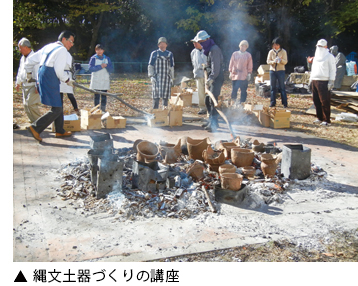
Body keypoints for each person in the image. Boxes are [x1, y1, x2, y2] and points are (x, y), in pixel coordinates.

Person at [25, 30, 76, 142]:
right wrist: (68, 80)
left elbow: (30, 60)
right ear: (63, 39)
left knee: (58, 105)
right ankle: (36, 128)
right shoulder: (62, 50)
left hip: (43, 74)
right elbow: (58, 70)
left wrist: (29, 73)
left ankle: (59, 130)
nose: (72, 44)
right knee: (57, 108)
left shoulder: (48, 46)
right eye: (71, 41)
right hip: (50, 76)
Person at [195, 30, 224, 132]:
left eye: (202, 41)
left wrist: (211, 79)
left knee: (213, 100)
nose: (201, 44)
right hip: (212, 76)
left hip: (216, 77)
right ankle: (210, 120)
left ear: (207, 39)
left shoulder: (214, 49)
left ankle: (214, 123)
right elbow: (210, 64)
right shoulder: (208, 50)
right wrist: (205, 67)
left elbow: (216, 68)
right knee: (207, 100)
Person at [309, 39, 336, 126]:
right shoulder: (316, 57)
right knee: (316, 100)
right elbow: (313, 69)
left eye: (321, 46)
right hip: (315, 80)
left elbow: (333, 69)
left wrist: (331, 81)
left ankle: (326, 119)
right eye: (318, 46)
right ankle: (319, 117)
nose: (319, 48)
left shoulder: (329, 56)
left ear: (326, 47)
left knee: (324, 101)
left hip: (324, 81)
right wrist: (310, 80)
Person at [15, 37, 41, 123]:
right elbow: (20, 71)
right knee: (26, 105)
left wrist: (38, 85)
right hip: (24, 85)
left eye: (20, 48)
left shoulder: (35, 57)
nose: (19, 50)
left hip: (33, 85)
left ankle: (40, 123)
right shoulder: (22, 58)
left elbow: (38, 72)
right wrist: (18, 82)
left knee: (30, 104)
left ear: (26, 47)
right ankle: (33, 122)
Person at [148, 37, 175, 109]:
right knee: (156, 97)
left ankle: (164, 113)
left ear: (166, 45)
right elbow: (150, 66)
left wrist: (172, 77)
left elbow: (171, 67)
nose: (162, 45)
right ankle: (155, 113)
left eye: (164, 44)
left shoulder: (170, 54)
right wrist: (151, 76)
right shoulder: (154, 53)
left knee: (165, 97)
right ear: (158, 45)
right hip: (157, 78)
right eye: (161, 44)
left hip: (166, 78)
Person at [89, 44, 113, 112]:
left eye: (101, 50)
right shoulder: (93, 58)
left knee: (104, 95)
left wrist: (107, 66)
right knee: (96, 96)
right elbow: (90, 68)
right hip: (96, 79)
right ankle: (96, 110)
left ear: (103, 50)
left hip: (104, 79)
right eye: (98, 50)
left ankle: (103, 110)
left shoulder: (107, 58)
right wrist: (100, 66)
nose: (99, 51)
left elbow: (111, 69)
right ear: (95, 50)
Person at [228, 40, 253, 105]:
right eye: (242, 46)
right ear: (239, 46)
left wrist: (249, 73)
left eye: (245, 46)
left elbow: (250, 65)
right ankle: (233, 103)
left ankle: (242, 103)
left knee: (243, 91)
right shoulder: (235, 54)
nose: (243, 47)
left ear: (246, 47)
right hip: (235, 74)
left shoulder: (248, 55)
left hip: (244, 75)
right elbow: (231, 63)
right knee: (234, 90)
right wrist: (230, 72)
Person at [266, 37, 288, 108]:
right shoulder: (271, 52)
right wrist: (273, 61)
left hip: (281, 71)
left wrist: (280, 61)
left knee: (282, 87)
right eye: (274, 45)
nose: (275, 46)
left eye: (276, 45)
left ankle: (284, 103)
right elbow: (268, 61)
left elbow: (285, 61)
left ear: (280, 45)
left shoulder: (283, 52)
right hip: (272, 71)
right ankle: (272, 102)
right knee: (272, 87)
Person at [190, 36, 207, 114]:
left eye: (196, 42)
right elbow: (194, 63)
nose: (194, 44)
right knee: (200, 92)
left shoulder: (207, 50)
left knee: (208, 92)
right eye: (193, 43)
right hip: (198, 74)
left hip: (207, 74)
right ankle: (202, 108)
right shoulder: (193, 52)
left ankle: (210, 107)